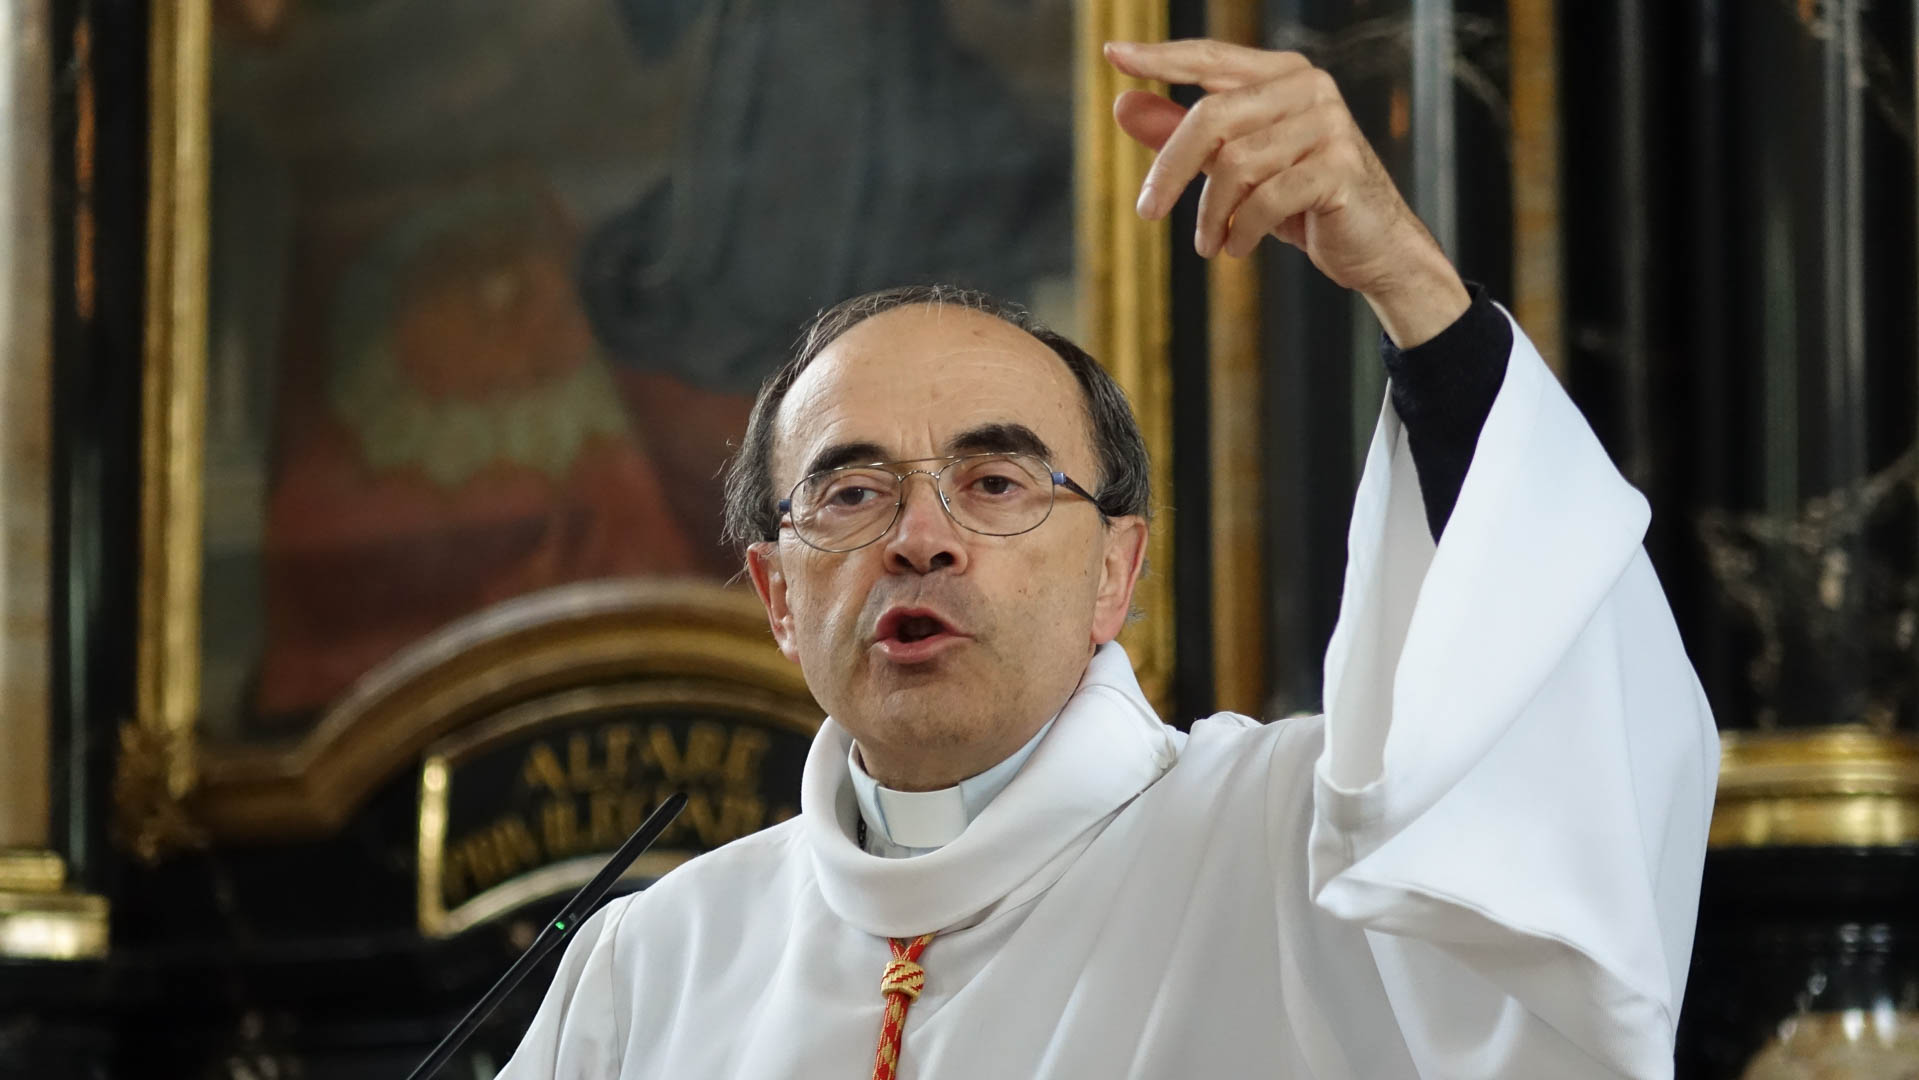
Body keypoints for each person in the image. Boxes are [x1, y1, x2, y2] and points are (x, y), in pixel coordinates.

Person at [498, 39, 1717, 1079]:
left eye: (995, 483)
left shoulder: (1306, 853)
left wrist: (1409, 286)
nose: (919, 539)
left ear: (1112, 576)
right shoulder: (649, 969)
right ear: (774, 593)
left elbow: (1553, 777)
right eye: (853, 492)